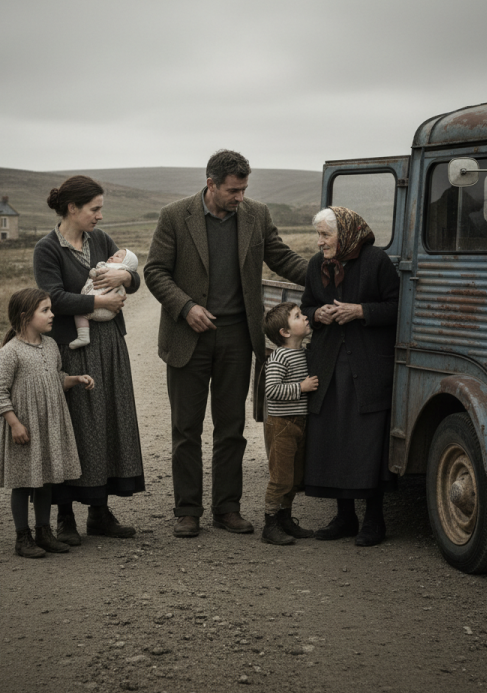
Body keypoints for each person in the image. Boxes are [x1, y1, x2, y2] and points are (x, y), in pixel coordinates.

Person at [144, 149, 308, 538]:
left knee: (231, 428)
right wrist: (185, 308)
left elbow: (282, 258)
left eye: (244, 189)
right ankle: (187, 511)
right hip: (188, 337)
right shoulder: (174, 216)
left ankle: (226, 509)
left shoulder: (256, 214)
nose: (239, 197)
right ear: (211, 184)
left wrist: (328, 275)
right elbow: (154, 271)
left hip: (238, 338)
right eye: (233, 190)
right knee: (186, 429)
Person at [33, 176, 145, 546]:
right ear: (72, 208)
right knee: (74, 426)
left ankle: (99, 511)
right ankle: (65, 516)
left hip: (109, 345)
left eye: (100, 208)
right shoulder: (47, 249)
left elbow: (135, 280)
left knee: (108, 421)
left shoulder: (101, 240)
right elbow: (53, 297)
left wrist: (126, 275)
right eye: (94, 208)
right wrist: (99, 302)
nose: (100, 215)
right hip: (72, 349)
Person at [300, 206, 399, 547]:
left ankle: (374, 520)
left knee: (367, 441)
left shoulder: (376, 262)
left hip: (368, 366)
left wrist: (360, 311)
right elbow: (307, 306)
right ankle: (345, 517)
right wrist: (319, 314)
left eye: (325, 235)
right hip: (328, 365)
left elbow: (398, 306)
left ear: (347, 234)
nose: (319, 242)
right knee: (335, 437)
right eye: (319, 235)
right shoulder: (317, 266)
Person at [0, 287, 95, 558]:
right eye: (45, 310)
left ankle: (44, 532)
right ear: (25, 316)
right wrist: (14, 424)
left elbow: (56, 378)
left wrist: (76, 379)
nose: (52, 314)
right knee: (23, 482)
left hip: (48, 426)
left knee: (46, 480)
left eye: (51, 308)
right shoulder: (11, 352)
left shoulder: (50, 345)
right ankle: (22, 538)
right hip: (25, 427)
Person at [261, 302, 319, 545]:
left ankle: (285, 519)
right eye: (298, 316)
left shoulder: (303, 352)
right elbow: (272, 389)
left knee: (295, 477)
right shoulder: (280, 356)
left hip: (299, 424)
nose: (305, 317)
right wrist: (301, 388)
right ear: (285, 332)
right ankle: (270, 525)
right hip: (282, 424)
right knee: (280, 477)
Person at [69, 247, 139, 350]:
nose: (112, 256)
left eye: (117, 256)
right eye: (114, 254)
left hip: (102, 320)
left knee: (80, 314)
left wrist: (126, 276)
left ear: (126, 263)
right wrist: (104, 301)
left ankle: (83, 336)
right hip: (110, 312)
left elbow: (135, 279)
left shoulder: (114, 267)